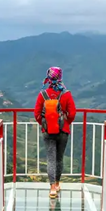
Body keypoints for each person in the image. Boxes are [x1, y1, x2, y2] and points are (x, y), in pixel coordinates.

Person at [34, 66, 76, 198]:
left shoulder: (43, 94)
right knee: (59, 158)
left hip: (47, 132)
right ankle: (57, 183)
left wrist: (45, 123)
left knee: (51, 159)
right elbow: (73, 113)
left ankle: (52, 188)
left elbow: (36, 114)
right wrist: (66, 121)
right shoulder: (66, 94)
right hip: (63, 131)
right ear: (60, 77)